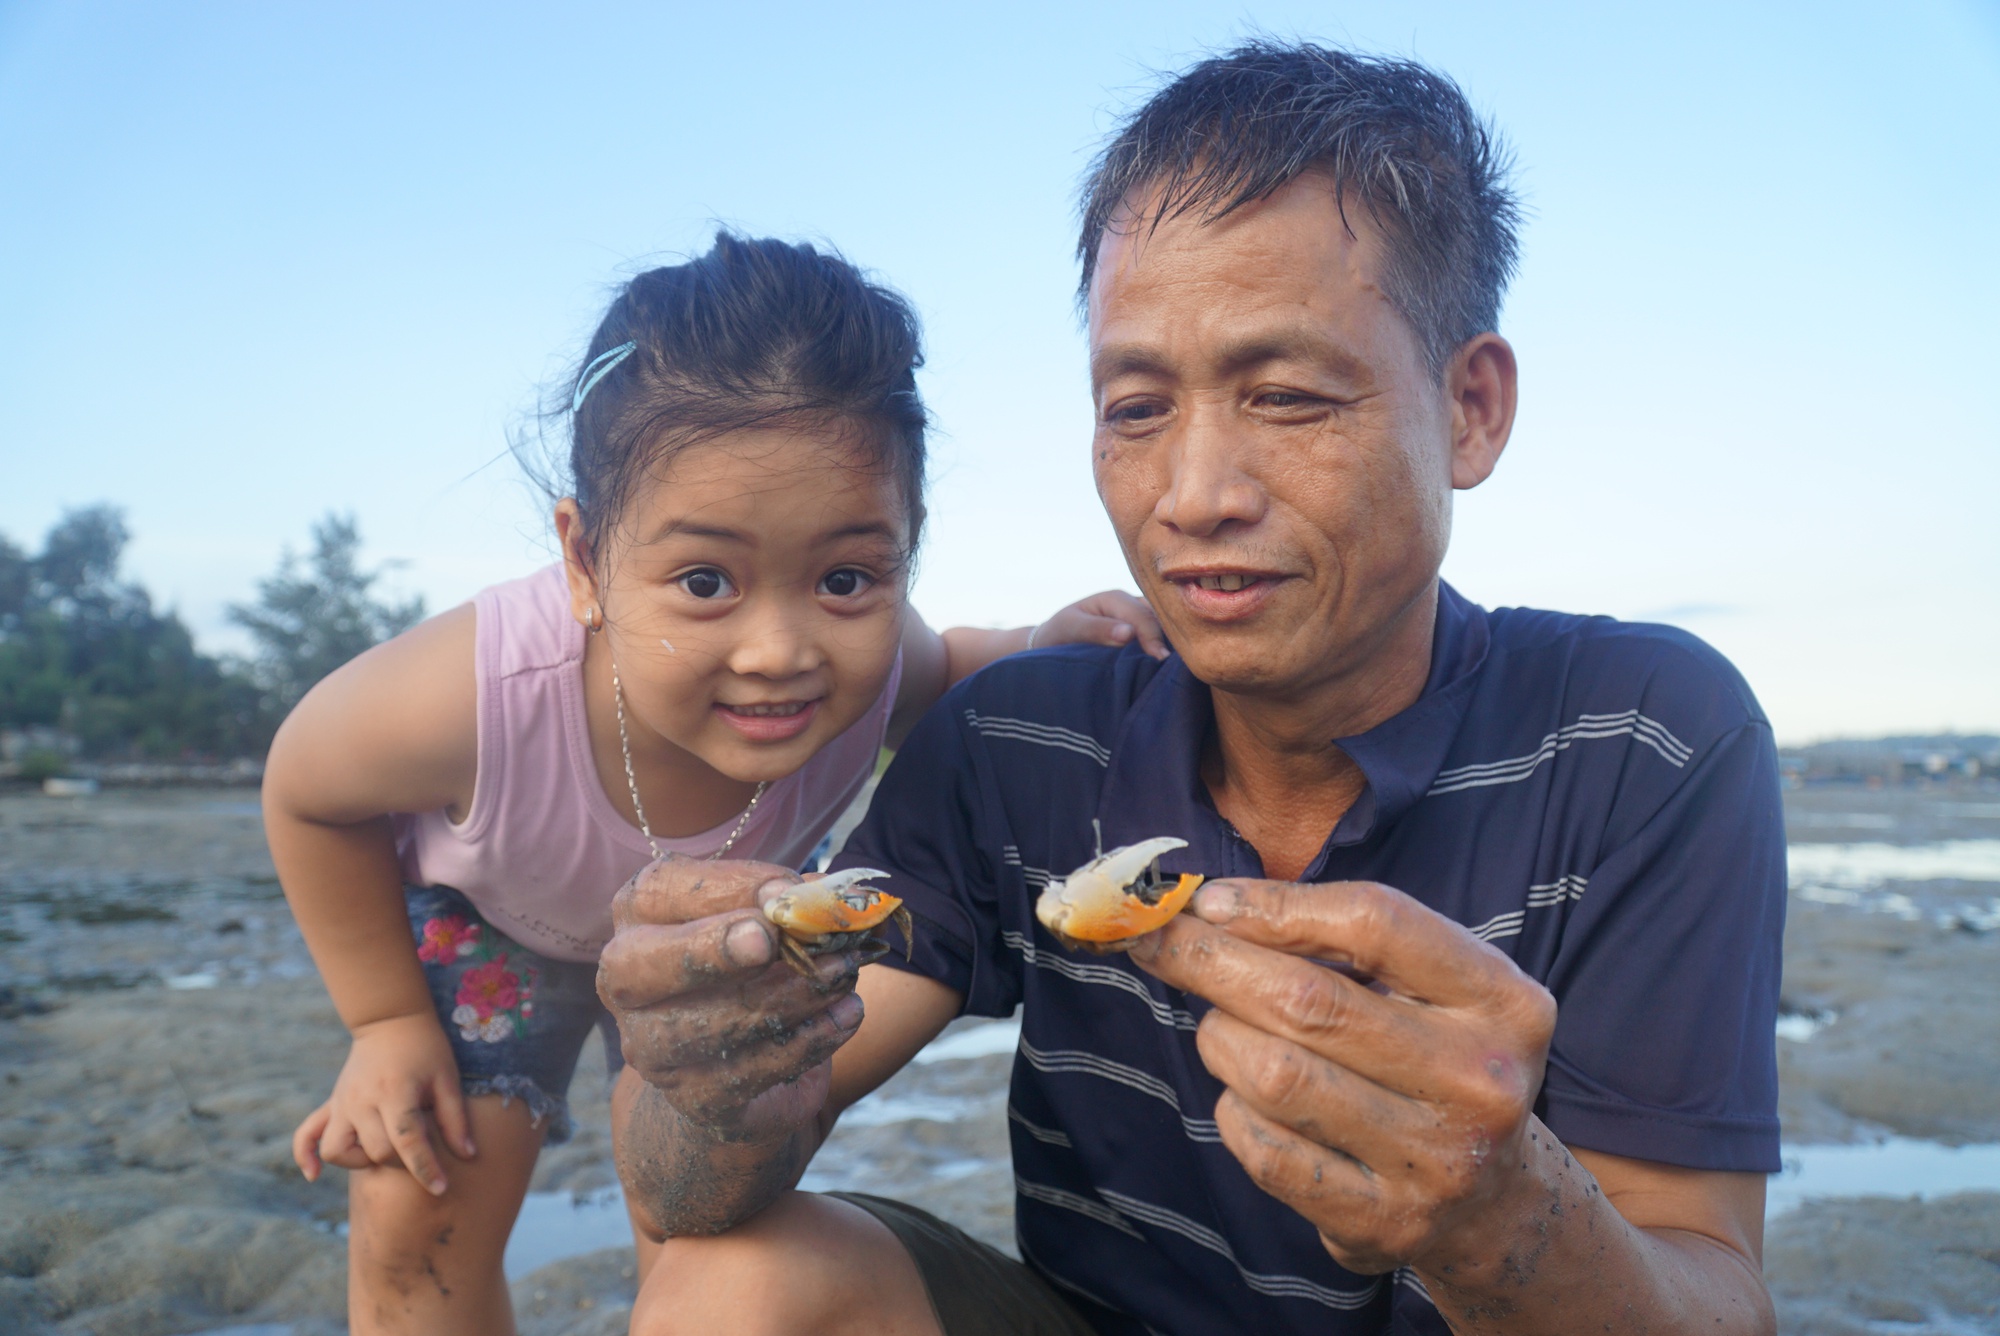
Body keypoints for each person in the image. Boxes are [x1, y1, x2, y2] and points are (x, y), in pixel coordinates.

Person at [598, 42, 1787, 1336]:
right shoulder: (1020, 745)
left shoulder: (1645, 739)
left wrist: (1505, 1217)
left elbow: (1709, 1285)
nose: (1193, 494)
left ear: (1471, 408)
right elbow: (691, 1190)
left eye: (1284, 395)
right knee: (733, 1285)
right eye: (1137, 406)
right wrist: (701, 1085)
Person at [263, 232, 1164, 1336]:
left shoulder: (878, 665)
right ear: (586, 564)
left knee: (704, 1232)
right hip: (495, 931)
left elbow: (958, 664)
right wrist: (385, 1019)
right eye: (704, 580)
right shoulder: (473, 691)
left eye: (845, 576)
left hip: (716, 948)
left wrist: (1044, 637)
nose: (779, 649)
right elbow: (307, 790)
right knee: (419, 1207)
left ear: (907, 550)